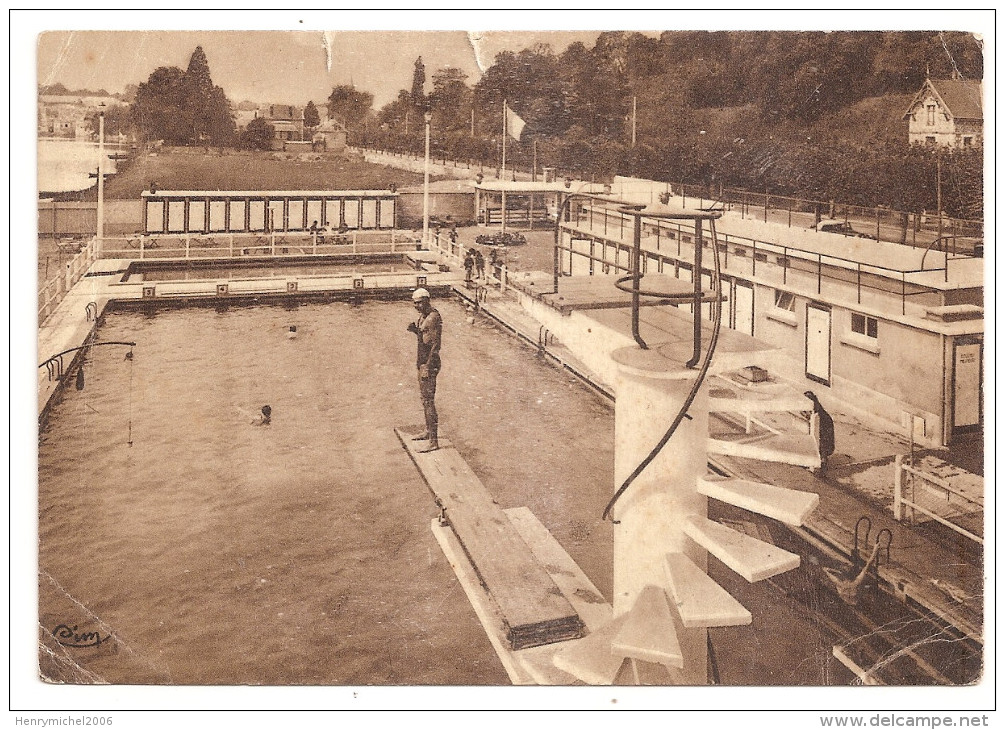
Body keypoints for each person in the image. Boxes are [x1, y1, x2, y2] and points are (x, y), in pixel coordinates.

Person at [406, 289, 442, 452]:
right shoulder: (423, 316)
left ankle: (434, 441)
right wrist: (415, 331)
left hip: (430, 362)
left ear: (427, 300)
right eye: (414, 303)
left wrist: (427, 366)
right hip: (422, 362)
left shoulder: (433, 317)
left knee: (429, 401)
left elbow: (435, 345)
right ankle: (428, 431)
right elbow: (424, 339)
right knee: (424, 399)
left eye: (419, 302)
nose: (416, 306)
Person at [804, 391, 834, 474]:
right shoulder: (815, 406)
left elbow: (814, 415)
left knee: (823, 444)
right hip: (822, 423)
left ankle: (823, 465)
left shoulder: (815, 408)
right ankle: (821, 462)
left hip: (824, 424)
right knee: (819, 443)